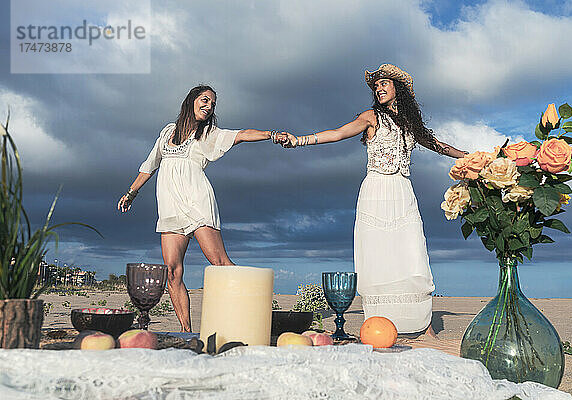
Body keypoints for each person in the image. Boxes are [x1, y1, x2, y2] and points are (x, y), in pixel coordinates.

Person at [279, 64, 467, 337]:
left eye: (384, 83)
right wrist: (300, 141)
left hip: (403, 190)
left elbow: (438, 145)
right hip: (376, 191)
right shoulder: (370, 117)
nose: (378, 88)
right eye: (376, 85)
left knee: (413, 251)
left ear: (398, 88)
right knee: (378, 255)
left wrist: (469, 156)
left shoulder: (410, 125)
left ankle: (425, 326)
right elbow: (338, 133)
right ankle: (378, 326)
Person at [118, 84, 285, 332]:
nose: (209, 106)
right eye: (205, 100)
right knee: (172, 272)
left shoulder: (208, 134)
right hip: (170, 206)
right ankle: (186, 331)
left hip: (198, 202)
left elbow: (240, 134)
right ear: (191, 101)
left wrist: (271, 134)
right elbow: (149, 165)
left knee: (220, 263)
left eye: (213, 104)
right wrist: (131, 192)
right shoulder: (167, 132)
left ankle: (256, 312)